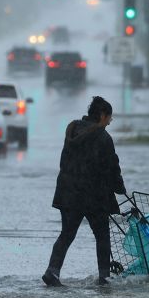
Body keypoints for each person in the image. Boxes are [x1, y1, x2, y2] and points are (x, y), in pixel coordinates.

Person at [43, 96, 126, 287]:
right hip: (93, 196)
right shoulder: (103, 138)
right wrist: (119, 188)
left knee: (67, 233)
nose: (110, 121)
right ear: (102, 115)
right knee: (102, 235)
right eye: (109, 117)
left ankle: (52, 271)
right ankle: (104, 277)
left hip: (68, 192)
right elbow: (112, 167)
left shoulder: (73, 131)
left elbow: (65, 162)